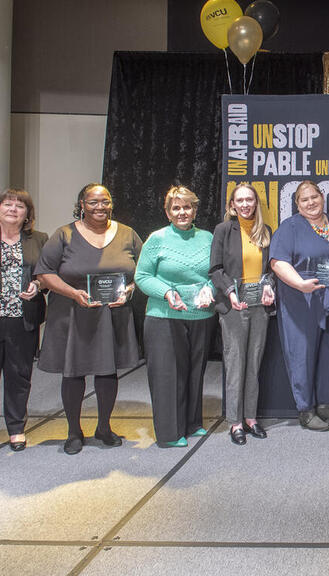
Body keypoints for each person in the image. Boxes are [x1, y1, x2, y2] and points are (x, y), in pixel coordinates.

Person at [35, 183, 141, 455]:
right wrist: (73, 293)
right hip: (73, 313)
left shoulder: (127, 234)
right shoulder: (64, 235)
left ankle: (104, 427)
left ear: (111, 204)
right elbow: (44, 272)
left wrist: (129, 291)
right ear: (81, 204)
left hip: (112, 314)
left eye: (104, 201)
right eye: (93, 202)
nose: (100, 207)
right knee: (73, 372)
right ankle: (73, 431)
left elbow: (144, 270)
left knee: (108, 371)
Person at [135, 186, 215, 448]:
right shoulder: (156, 239)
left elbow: (217, 273)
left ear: (195, 210)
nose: (182, 212)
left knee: (195, 372)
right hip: (163, 316)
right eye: (176, 208)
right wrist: (167, 292)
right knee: (168, 375)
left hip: (201, 315)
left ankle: (192, 423)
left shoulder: (208, 238)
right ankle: (170, 434)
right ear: (168, 212)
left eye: (187, 207)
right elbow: (142, 277)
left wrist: (210, 289)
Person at [270, 181, 329, 431]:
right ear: (297, 204)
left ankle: (326, 404)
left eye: (314, 197)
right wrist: (300, 284)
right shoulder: (289, 228)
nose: (311, 202)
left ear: (322, 197)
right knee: (301, 353)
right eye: (304, 200)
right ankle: (305, 409)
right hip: (301, 300)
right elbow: (277, 262)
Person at [210, 183, 275, 445]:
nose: (246, 204)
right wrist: (230, 293)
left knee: (253, 363)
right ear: (232, 205)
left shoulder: (265, 231)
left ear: (256, 203)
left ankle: (251, 417)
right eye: (240, 200)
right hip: (233, 307)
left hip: (259, 307)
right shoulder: (223, 230)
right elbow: (215, 270)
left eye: (250, 200)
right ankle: (235, 422)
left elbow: (268, 271)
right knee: (236, 364)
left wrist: (270, 287)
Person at [0, 189, 47, 452]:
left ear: (27, 213)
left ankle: (16, 428)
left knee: (19, 375)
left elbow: (48, 273)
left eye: (20, 206)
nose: (13, 209)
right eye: (7, 204)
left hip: (22, 318)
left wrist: (38, 285)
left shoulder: (39, 239)